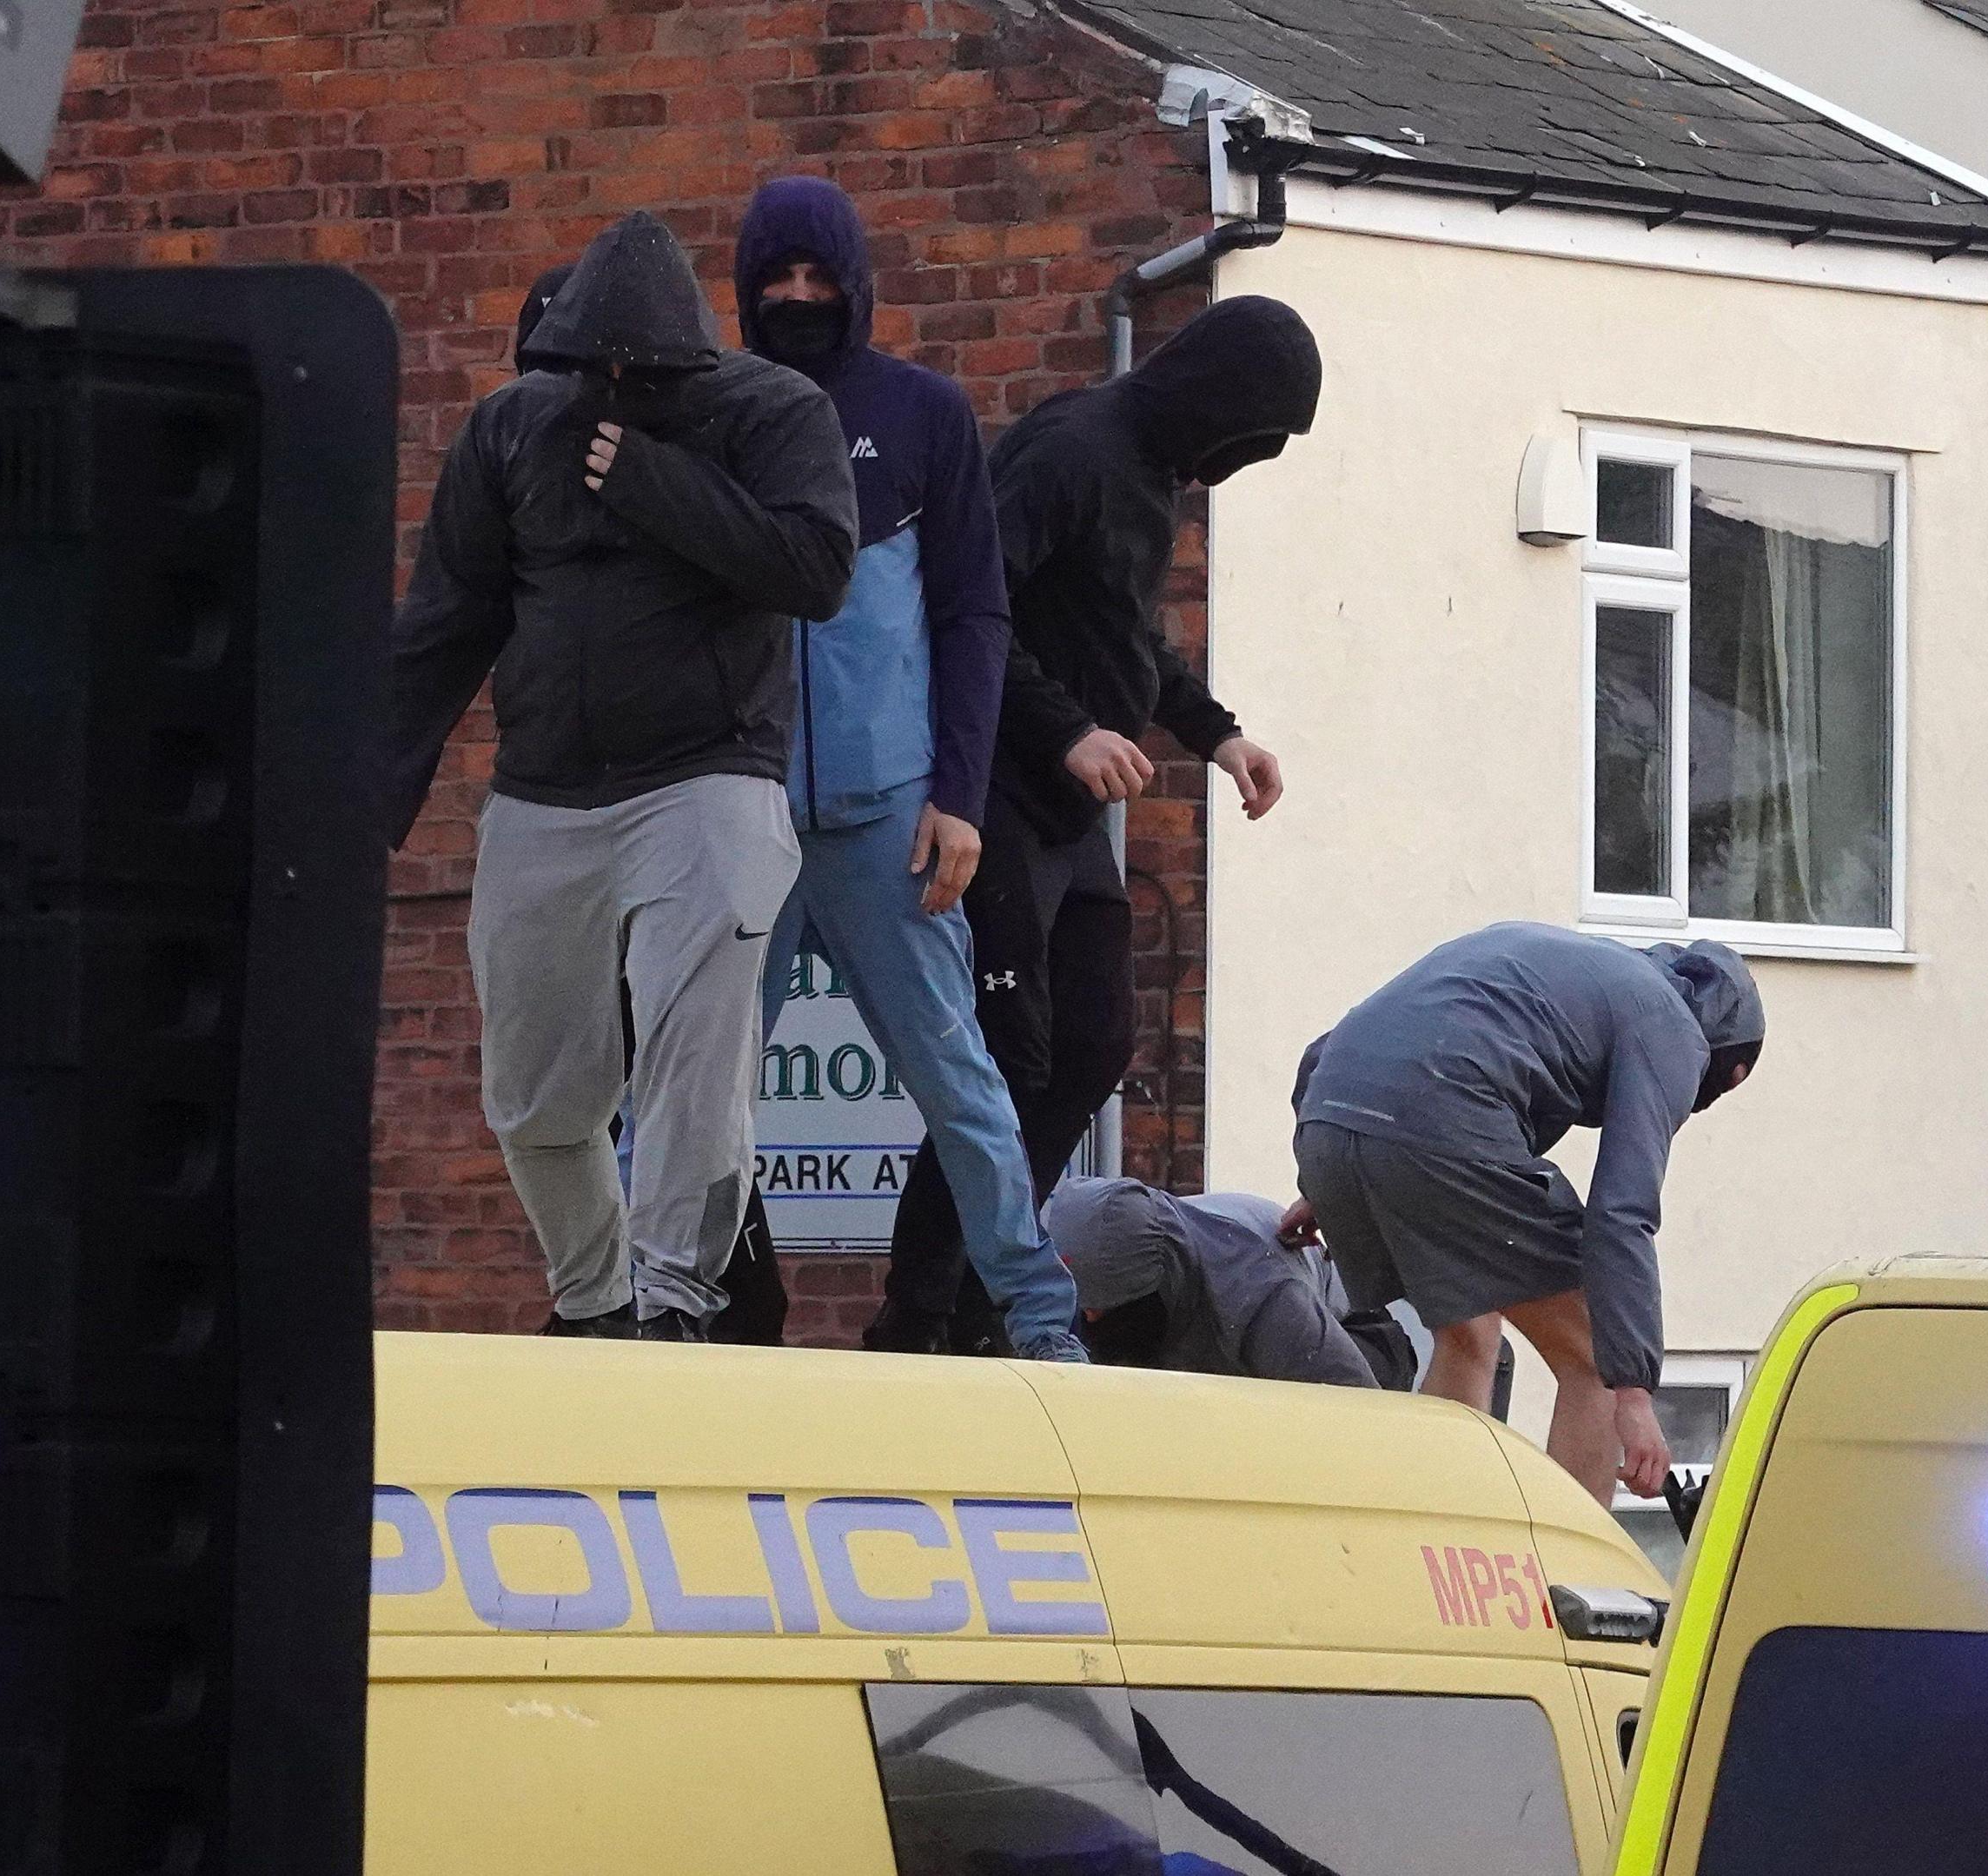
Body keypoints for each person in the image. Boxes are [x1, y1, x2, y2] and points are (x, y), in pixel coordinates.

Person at [388, 210, 857, 1341]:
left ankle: (675, 1308)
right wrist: (359, 804)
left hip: (710, 778)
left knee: (695, 1067)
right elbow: (446, 624)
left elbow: (816, 566)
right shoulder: (511, 429)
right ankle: (597, 1305)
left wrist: (651, 480)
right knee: (537, 1097)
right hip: (544, 789)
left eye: (623, 373)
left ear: (679, 357)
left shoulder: (775, 412)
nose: (598, 389)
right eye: (575, 371)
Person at [868, 295, 1320, 1355]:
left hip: (1070, 826)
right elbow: (968, 606)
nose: (1237, 468)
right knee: (1006, 1057)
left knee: (1095, 1043)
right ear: (1216, 406)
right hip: (1001, 800)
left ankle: (983, 1291)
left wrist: (1217, 737)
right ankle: (919, 1313)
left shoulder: (1153, 475)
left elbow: (1123, 634)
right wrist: (1067, 729)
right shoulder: (1072, 450)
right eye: (1246, 443)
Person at [726, 175, 1089, 1363]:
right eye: (775, 278)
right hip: (745, 818)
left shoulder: (924, 413)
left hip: (893, 824)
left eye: (817, 277)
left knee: (962, 1081)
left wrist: (961, 794)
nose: (796, 297)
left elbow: (975, 614)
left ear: (857, 283)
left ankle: (1043, 1327)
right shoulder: (715, 411)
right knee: (689, 1083)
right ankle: (646, 1307)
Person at [1283, 923, 1765, 1504]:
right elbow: (1621, 1213)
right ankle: (1572, 1583)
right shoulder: (1671, 1026)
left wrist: (1332, 1178)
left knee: (1469, 1329)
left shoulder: (1571, 965)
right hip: (1439, 1119)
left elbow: (1338, 1050)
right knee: (1594, 1355)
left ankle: (1436, 1546)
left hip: (1330, 1119)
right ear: (1726, 1065)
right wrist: (1633, 1391)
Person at [1043, 1176, 1418, 1389]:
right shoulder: (1130, 1281)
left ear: (1153, 1284)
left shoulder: (1262, 1300)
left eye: (1102, 1305)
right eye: (1082, 1304)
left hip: (1360, 1341)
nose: (1089, 1317)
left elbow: (1364, 1420)